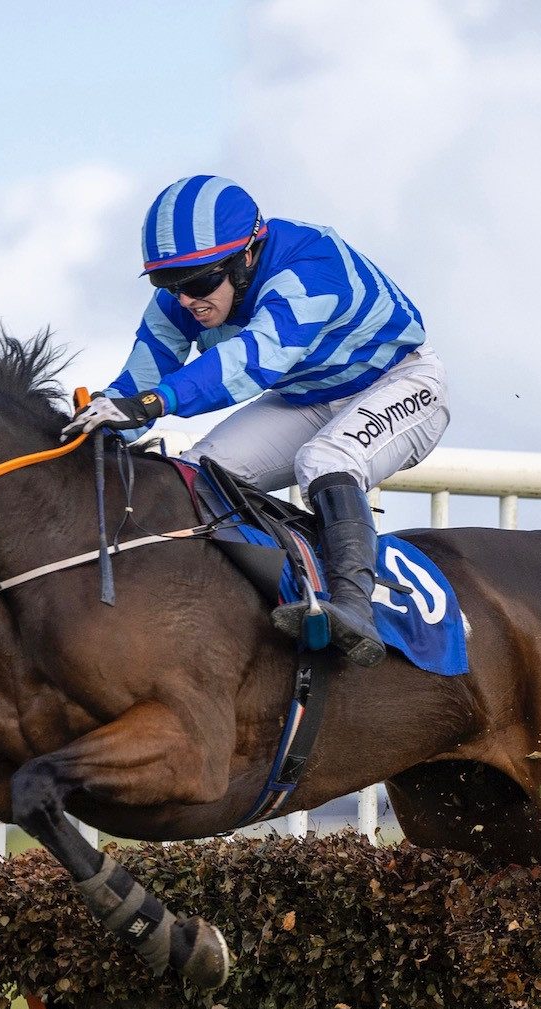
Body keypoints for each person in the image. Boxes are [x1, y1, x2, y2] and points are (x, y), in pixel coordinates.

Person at [64, 174, 449, 667]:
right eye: (169, 284)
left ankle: (355, 609)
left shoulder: (311, 266)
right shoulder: (185, 297)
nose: (186, 299)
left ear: (247, 255)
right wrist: (98, 423)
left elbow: (252, 361)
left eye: (201, 281)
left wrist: (155, 403)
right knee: (195, 476)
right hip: (305, 397)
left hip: (403, 383)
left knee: (326, 458)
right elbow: (139, 383)